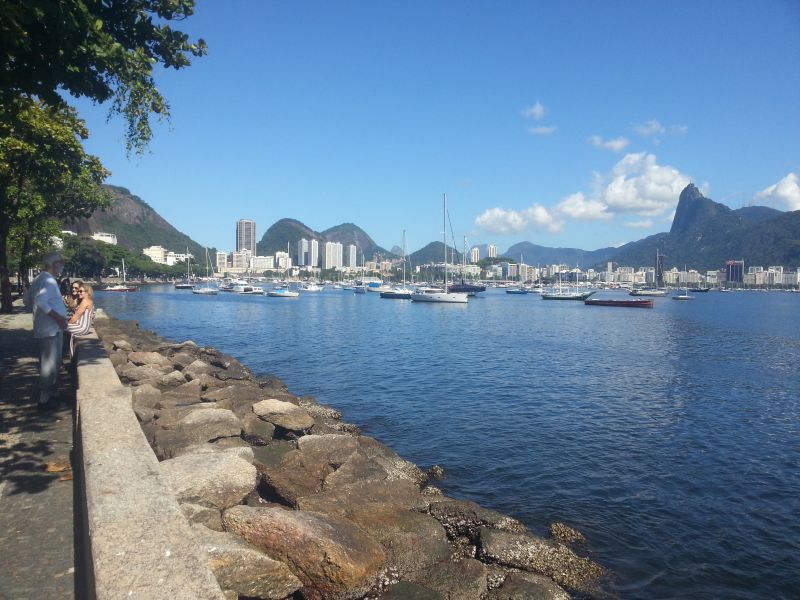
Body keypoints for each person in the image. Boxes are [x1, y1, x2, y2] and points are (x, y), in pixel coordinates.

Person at [29, 251, 68, 410]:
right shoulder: (49, 281)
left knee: (52, 363)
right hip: (51, 330)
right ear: (55, 264)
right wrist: (59, 318)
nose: (62, 267)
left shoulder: (38, 279)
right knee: (49, 365)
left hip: (44, 328)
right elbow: (41, 301)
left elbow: (28, 299)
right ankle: (44, 401)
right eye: (61, 263)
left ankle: (52, 395)